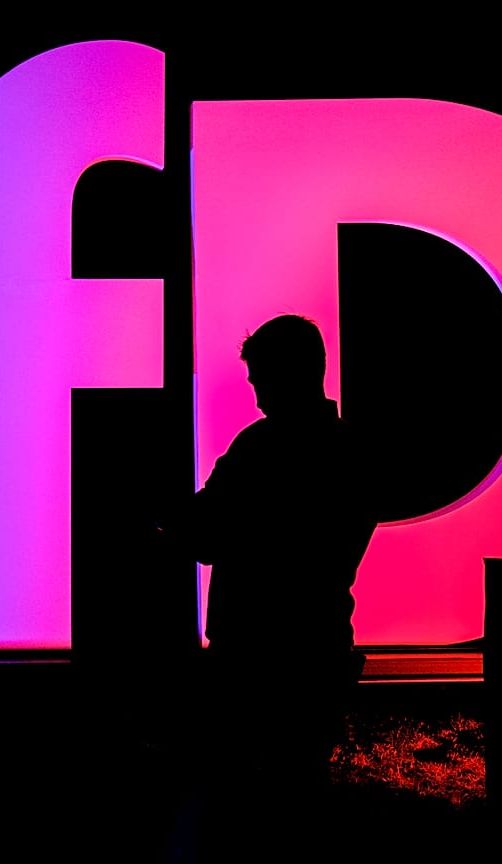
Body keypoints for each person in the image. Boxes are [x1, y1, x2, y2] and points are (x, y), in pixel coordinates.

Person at [158, 314, 378, 842]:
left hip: (248, 654)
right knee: (297, 799)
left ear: (287, 374)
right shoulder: (350, 454)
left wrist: (170, 522)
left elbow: (203, 534)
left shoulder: (257, 449)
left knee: (227, 798)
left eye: (261, 378)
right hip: (317, 647)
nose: (256, 393)